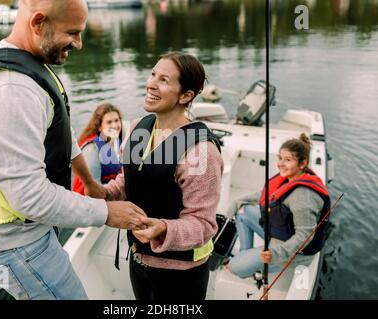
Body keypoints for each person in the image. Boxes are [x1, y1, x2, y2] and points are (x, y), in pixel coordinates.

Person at [0, 0, 148, 300]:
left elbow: (61, 134)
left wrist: (91, 184)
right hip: (12, 243)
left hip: (27, 231)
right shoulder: (10, 89)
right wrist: (107, 213)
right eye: (73, 33)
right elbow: (30, 197)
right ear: (38, 23)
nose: (79, 44)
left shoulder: (25, 62)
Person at [104, 52, 224, 300]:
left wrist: (162, 229)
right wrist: (104, 193)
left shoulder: (201, 151)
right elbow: (130, 180)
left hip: (181, 274)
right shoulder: (139, 127)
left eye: (164, 80)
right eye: (152, 74)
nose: (151, 84)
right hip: (139, 258)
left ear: (186, 95)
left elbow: (203, 224)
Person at [226, 134, 331, 278]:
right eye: (280, 158)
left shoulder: (303, 196)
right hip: (280, 233)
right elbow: (266, 195)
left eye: (288, 160)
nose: (281, 163)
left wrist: (275, 254)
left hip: (290, 253)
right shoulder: (290, 177)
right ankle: (247, 255)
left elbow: (305, 235)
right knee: (243, 211)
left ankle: (257, 265)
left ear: (302, 163)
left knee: (233, 268)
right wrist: (237, 201)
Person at [72, 103, 123, 194]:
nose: (115, 126)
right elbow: (93, 191)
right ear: (99, 127)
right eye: (109, 122)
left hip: (114, 193)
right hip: (96, 201)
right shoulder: (92, 148)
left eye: (117, 120)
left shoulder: (117, 141)